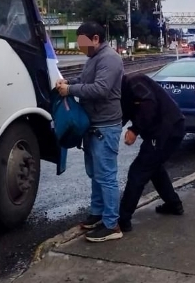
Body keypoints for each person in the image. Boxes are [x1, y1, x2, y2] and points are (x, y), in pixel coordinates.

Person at [61, 22, 125, 242]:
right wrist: (69, 82)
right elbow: (84, 81)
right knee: (96, 174)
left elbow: (100, 89)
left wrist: (69, 90)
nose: (80, 47)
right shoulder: (94, 58)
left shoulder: (109, 58)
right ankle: (97, 214)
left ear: (95, 38)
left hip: (106, 126)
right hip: (94, 125)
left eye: (82, 43)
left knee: (106, 176)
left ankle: (111, 225)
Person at [115, 71, 187, 232]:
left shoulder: (135, 81)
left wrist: (134, 129)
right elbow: (125, 113)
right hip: (163, 131)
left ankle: (122, 220)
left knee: (138, 171)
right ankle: (174, 205)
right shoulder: (124, 90)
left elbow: (149, 105)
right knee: (154, 169)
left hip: (167, 130)